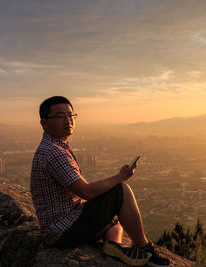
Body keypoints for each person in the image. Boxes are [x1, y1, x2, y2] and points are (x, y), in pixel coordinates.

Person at [30, 96, 170, 267]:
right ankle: (145, 249)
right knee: (121, 191)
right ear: (44, 123)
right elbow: (86, 191)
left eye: (70, 115)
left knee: (115, 222)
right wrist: (120, 177)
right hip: (63, 230)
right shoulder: (54, 152)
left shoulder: (54, 147)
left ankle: (114, 248)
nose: (67, 120)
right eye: (60, 116)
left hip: (62, 226)